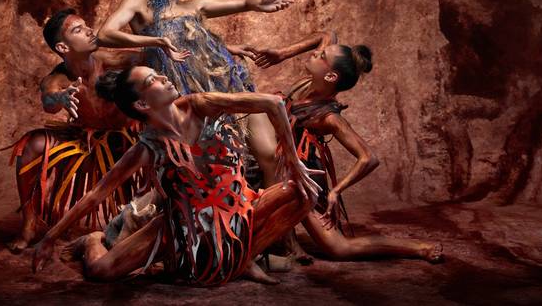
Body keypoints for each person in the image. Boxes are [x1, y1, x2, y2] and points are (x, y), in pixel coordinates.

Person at [32, 66, 323, 286]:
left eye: (159, 74)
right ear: (143, 105)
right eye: (153, 81)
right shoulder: (148, 148)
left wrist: (294, 163)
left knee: (305, 193)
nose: (164, 78)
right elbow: (96, 194)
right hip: (180, 227)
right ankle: (93, 240)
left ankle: (243, 257)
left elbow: (272, 103)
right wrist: (50, 238)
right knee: (101, 271)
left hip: (238, 207)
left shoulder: (200, 104)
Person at [95, 0, 293, 187]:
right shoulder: (138, 3)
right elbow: (105, 35)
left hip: (230, 86)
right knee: (213, 168)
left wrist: (257, 4)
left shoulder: (195, 6)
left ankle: (278, 223)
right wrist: (154, 41)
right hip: (189, 100)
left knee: (268, 155)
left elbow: (243, 2)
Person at [254, 32, 443, 263]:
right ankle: (287, 241)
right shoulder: (309, 84)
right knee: (272, 163)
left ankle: (418, 248)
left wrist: (336, 191)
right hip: (284, 164)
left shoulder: (329, 117)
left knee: (339, 248)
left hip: (306, 178)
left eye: (321, 55)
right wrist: (282, 53)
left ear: (331, 76)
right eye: (320, 52)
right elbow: (327, 35)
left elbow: (368, 158)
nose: (315, 53)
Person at [7, 9, 146, 252]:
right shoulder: (58, 79)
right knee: (31, 145)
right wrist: (61, 97)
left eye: (86, 26)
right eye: (77, 30)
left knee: (165, 140)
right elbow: (49, 101)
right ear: (62, 47)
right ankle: (29, 225)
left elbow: (155, 57)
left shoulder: (110, 59)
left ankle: (155, 225)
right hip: (88, 143)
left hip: (129, 140)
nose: (89, 31)